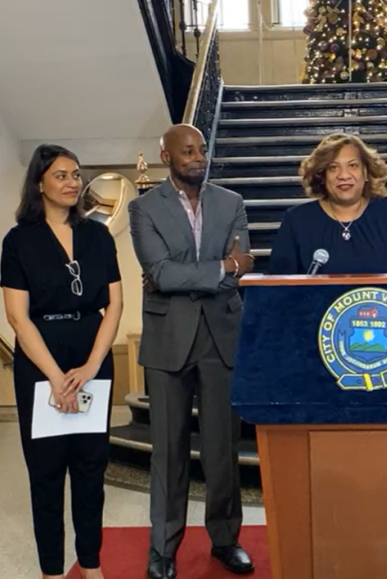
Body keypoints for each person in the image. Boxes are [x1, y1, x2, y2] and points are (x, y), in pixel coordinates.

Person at [128, 124, 255, 579]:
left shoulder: (232, 202)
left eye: (201, 149)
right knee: (168, 451)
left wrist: (207, 272)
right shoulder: (142, 208)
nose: (198, 156)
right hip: (168, 343)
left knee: (223, 449)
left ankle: (226, 539)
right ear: (166, 156)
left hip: (222, 337)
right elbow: (159, 272)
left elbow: (243, 267)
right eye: (187, 151)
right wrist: (220, 267)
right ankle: (162, 548)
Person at [1, 144, 123, 579]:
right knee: (47, 473)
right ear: (40, 183)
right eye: (61, 175)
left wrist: (91, 367)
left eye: (76, 174)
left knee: (91, 469)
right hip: (41, 362)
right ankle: (52, 570)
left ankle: (90, 565)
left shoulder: (97, 235)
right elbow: (17, 315)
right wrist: (55, 377)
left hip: (91, 354)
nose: (73, 182)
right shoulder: (19, 240)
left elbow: (115, 303)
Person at [268, 133, 387, 275]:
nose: (344, 175)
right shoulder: (298, 220)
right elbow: (278, 291)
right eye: (333, 168)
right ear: (322, 176)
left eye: (353, 166)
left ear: (366, 172)